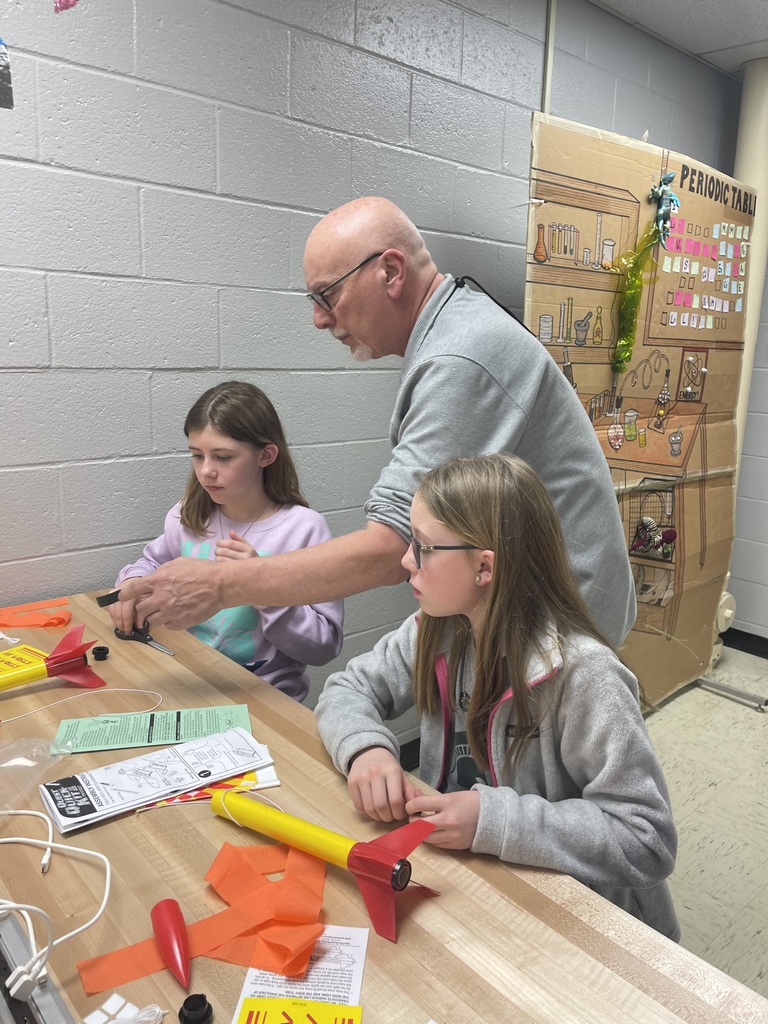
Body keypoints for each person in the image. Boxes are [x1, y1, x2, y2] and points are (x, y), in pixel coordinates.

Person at [118, 197, 635, 651]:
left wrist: (225, 585)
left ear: (391, 271)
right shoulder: (450, 334)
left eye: (327, 295)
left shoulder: (461, 356)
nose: (319, 319)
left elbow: (393, 549)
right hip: (508, 598)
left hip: (559, 621)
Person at [315, 454, 679, 939]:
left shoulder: (586, 675)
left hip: (585, 927)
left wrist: (496, 819)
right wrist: (366, 749)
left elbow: (645, 839)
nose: (405, 561)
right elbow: (346, 688)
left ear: (484, 567)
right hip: (482, 889)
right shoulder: (433, 630)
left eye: (422, 547)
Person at [109, 381, 343, 701]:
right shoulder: (187, 515)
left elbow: (323, 647)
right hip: (190, 682)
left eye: (222, 457)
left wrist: (260, 583)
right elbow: (150, 563)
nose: (206, 471)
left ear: (266, 455)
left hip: (265, 699)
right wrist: (131, 585)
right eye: (196, 456)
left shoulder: (304, 530)